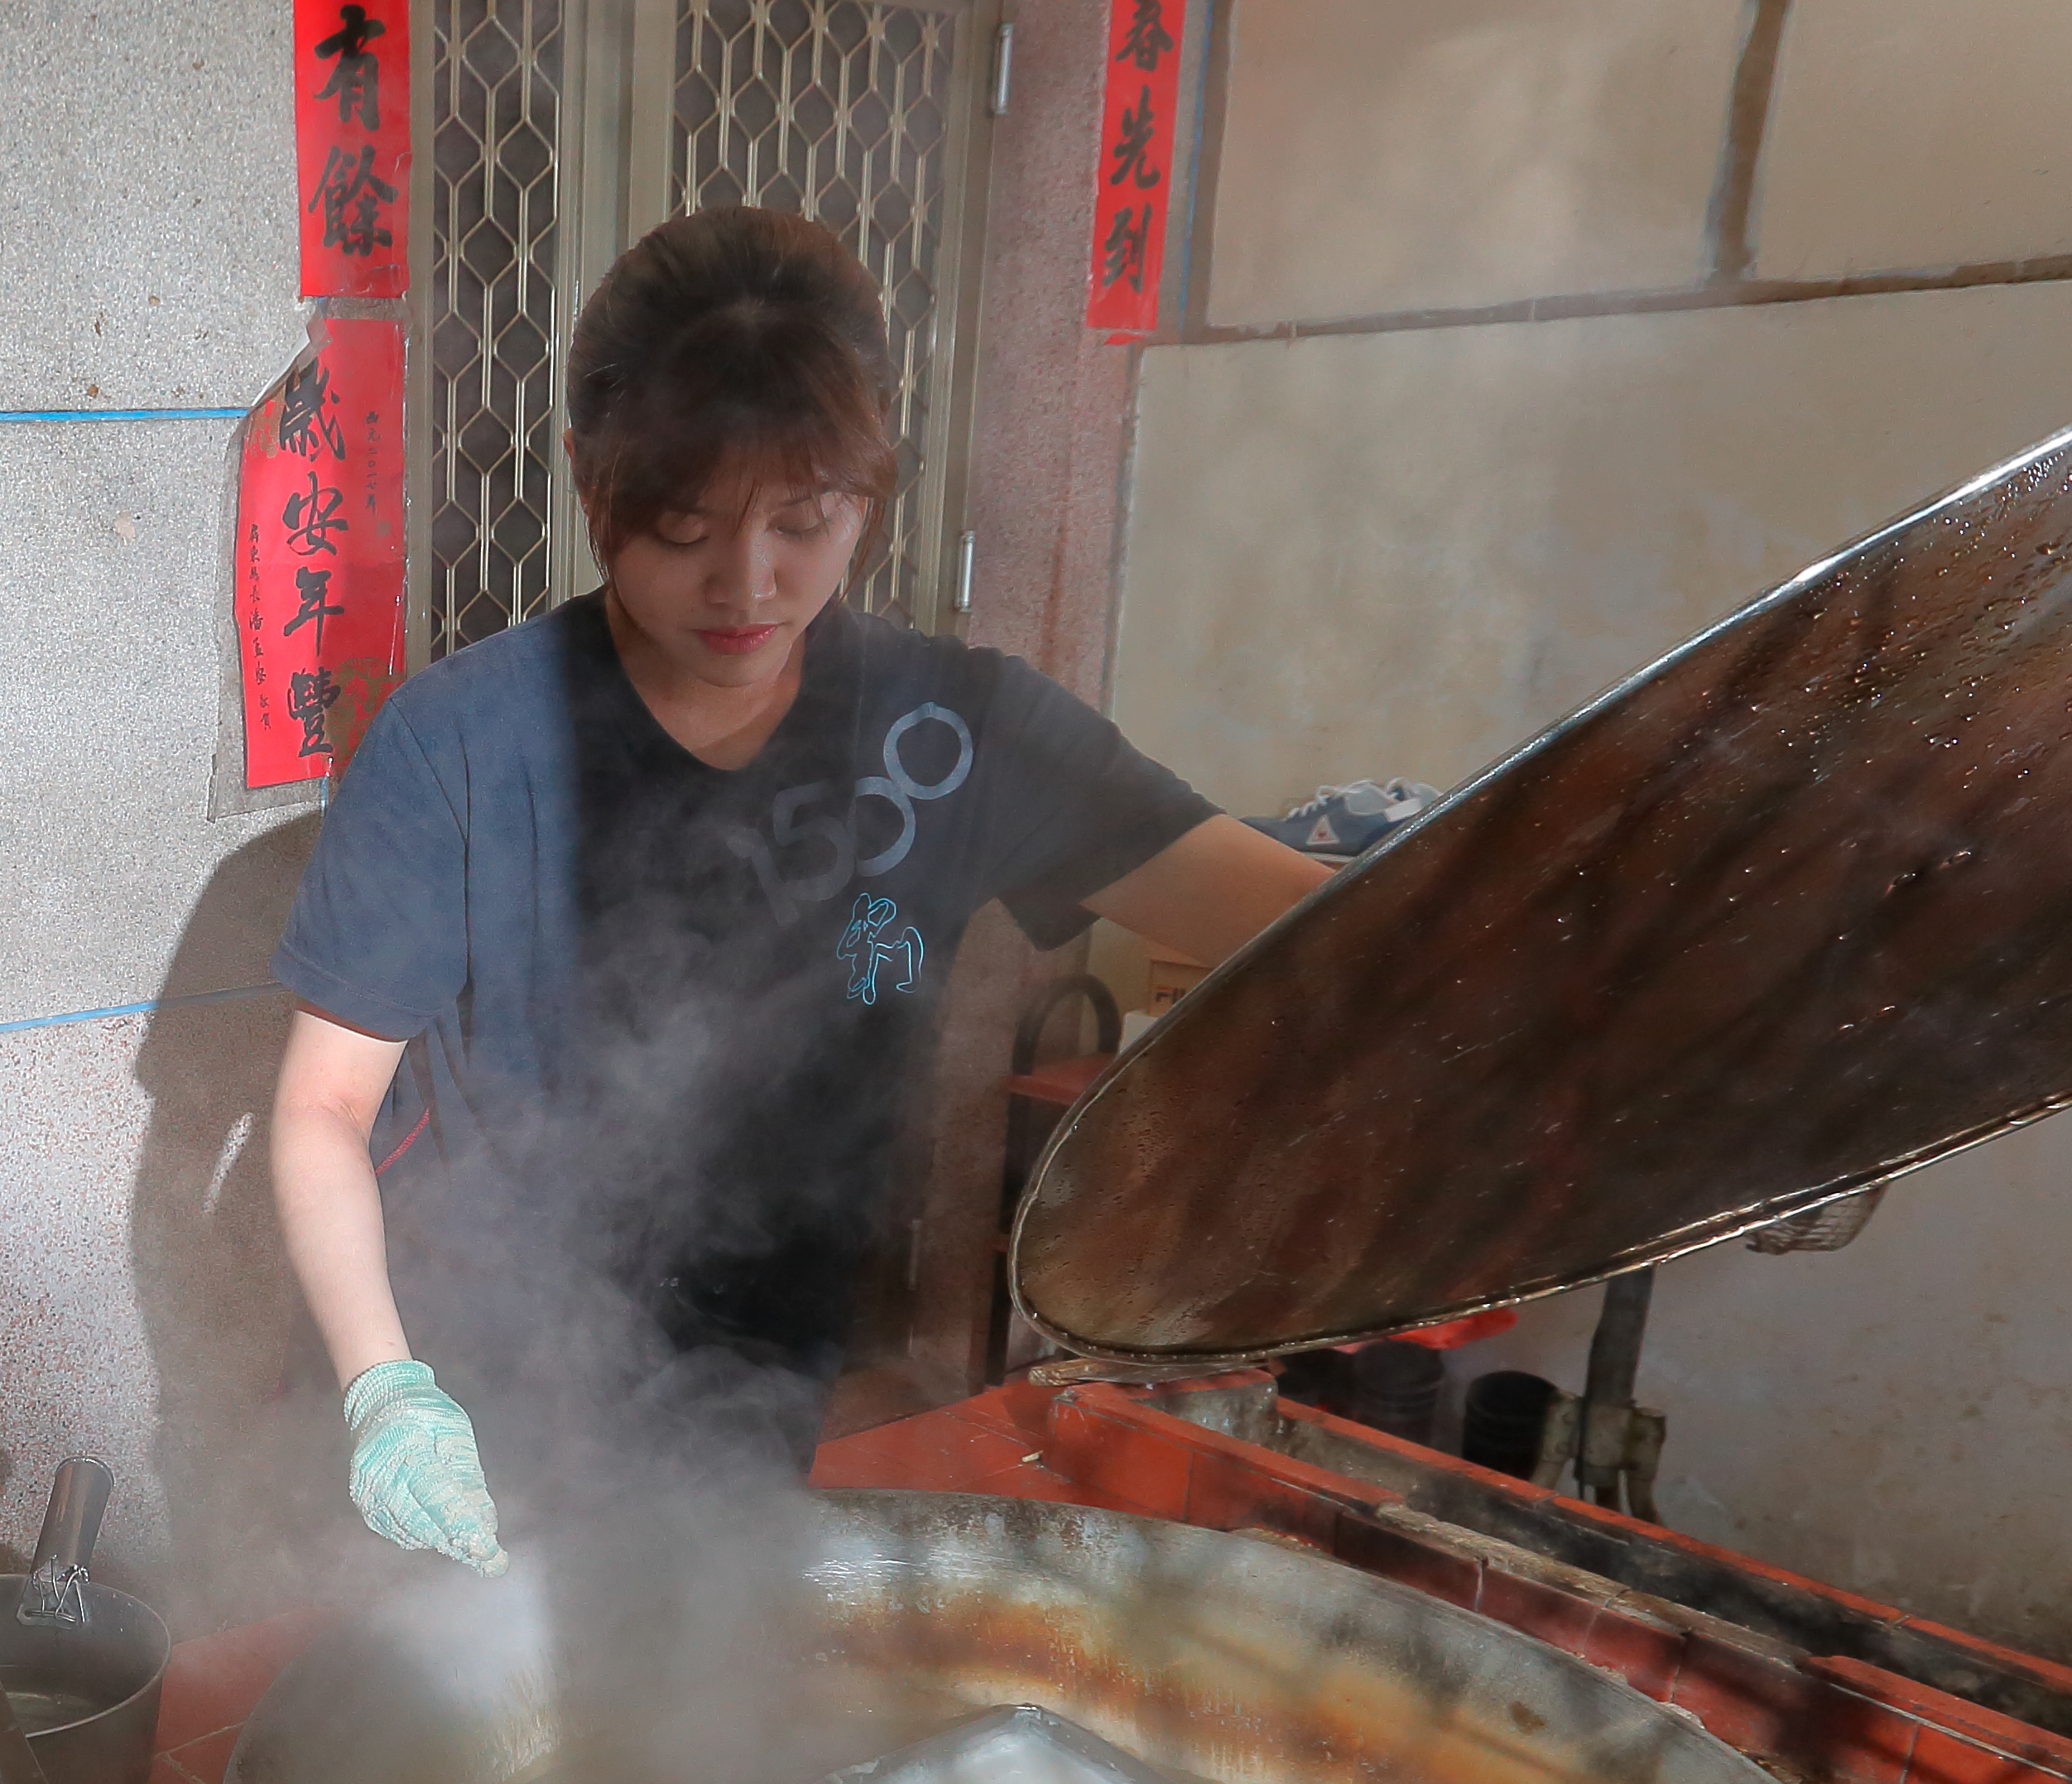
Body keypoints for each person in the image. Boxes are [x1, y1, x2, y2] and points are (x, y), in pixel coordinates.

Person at [267, 208, 1330, 1563]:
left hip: (758, 1377)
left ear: (868, 493)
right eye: (684, 526)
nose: (748, 583)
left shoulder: (958, 731)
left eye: (804, 521)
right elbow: (319, 1108)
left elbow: (1302, 924)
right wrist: (385, 1393)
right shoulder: (463, 741)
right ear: (593, 484)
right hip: (464, 1370)